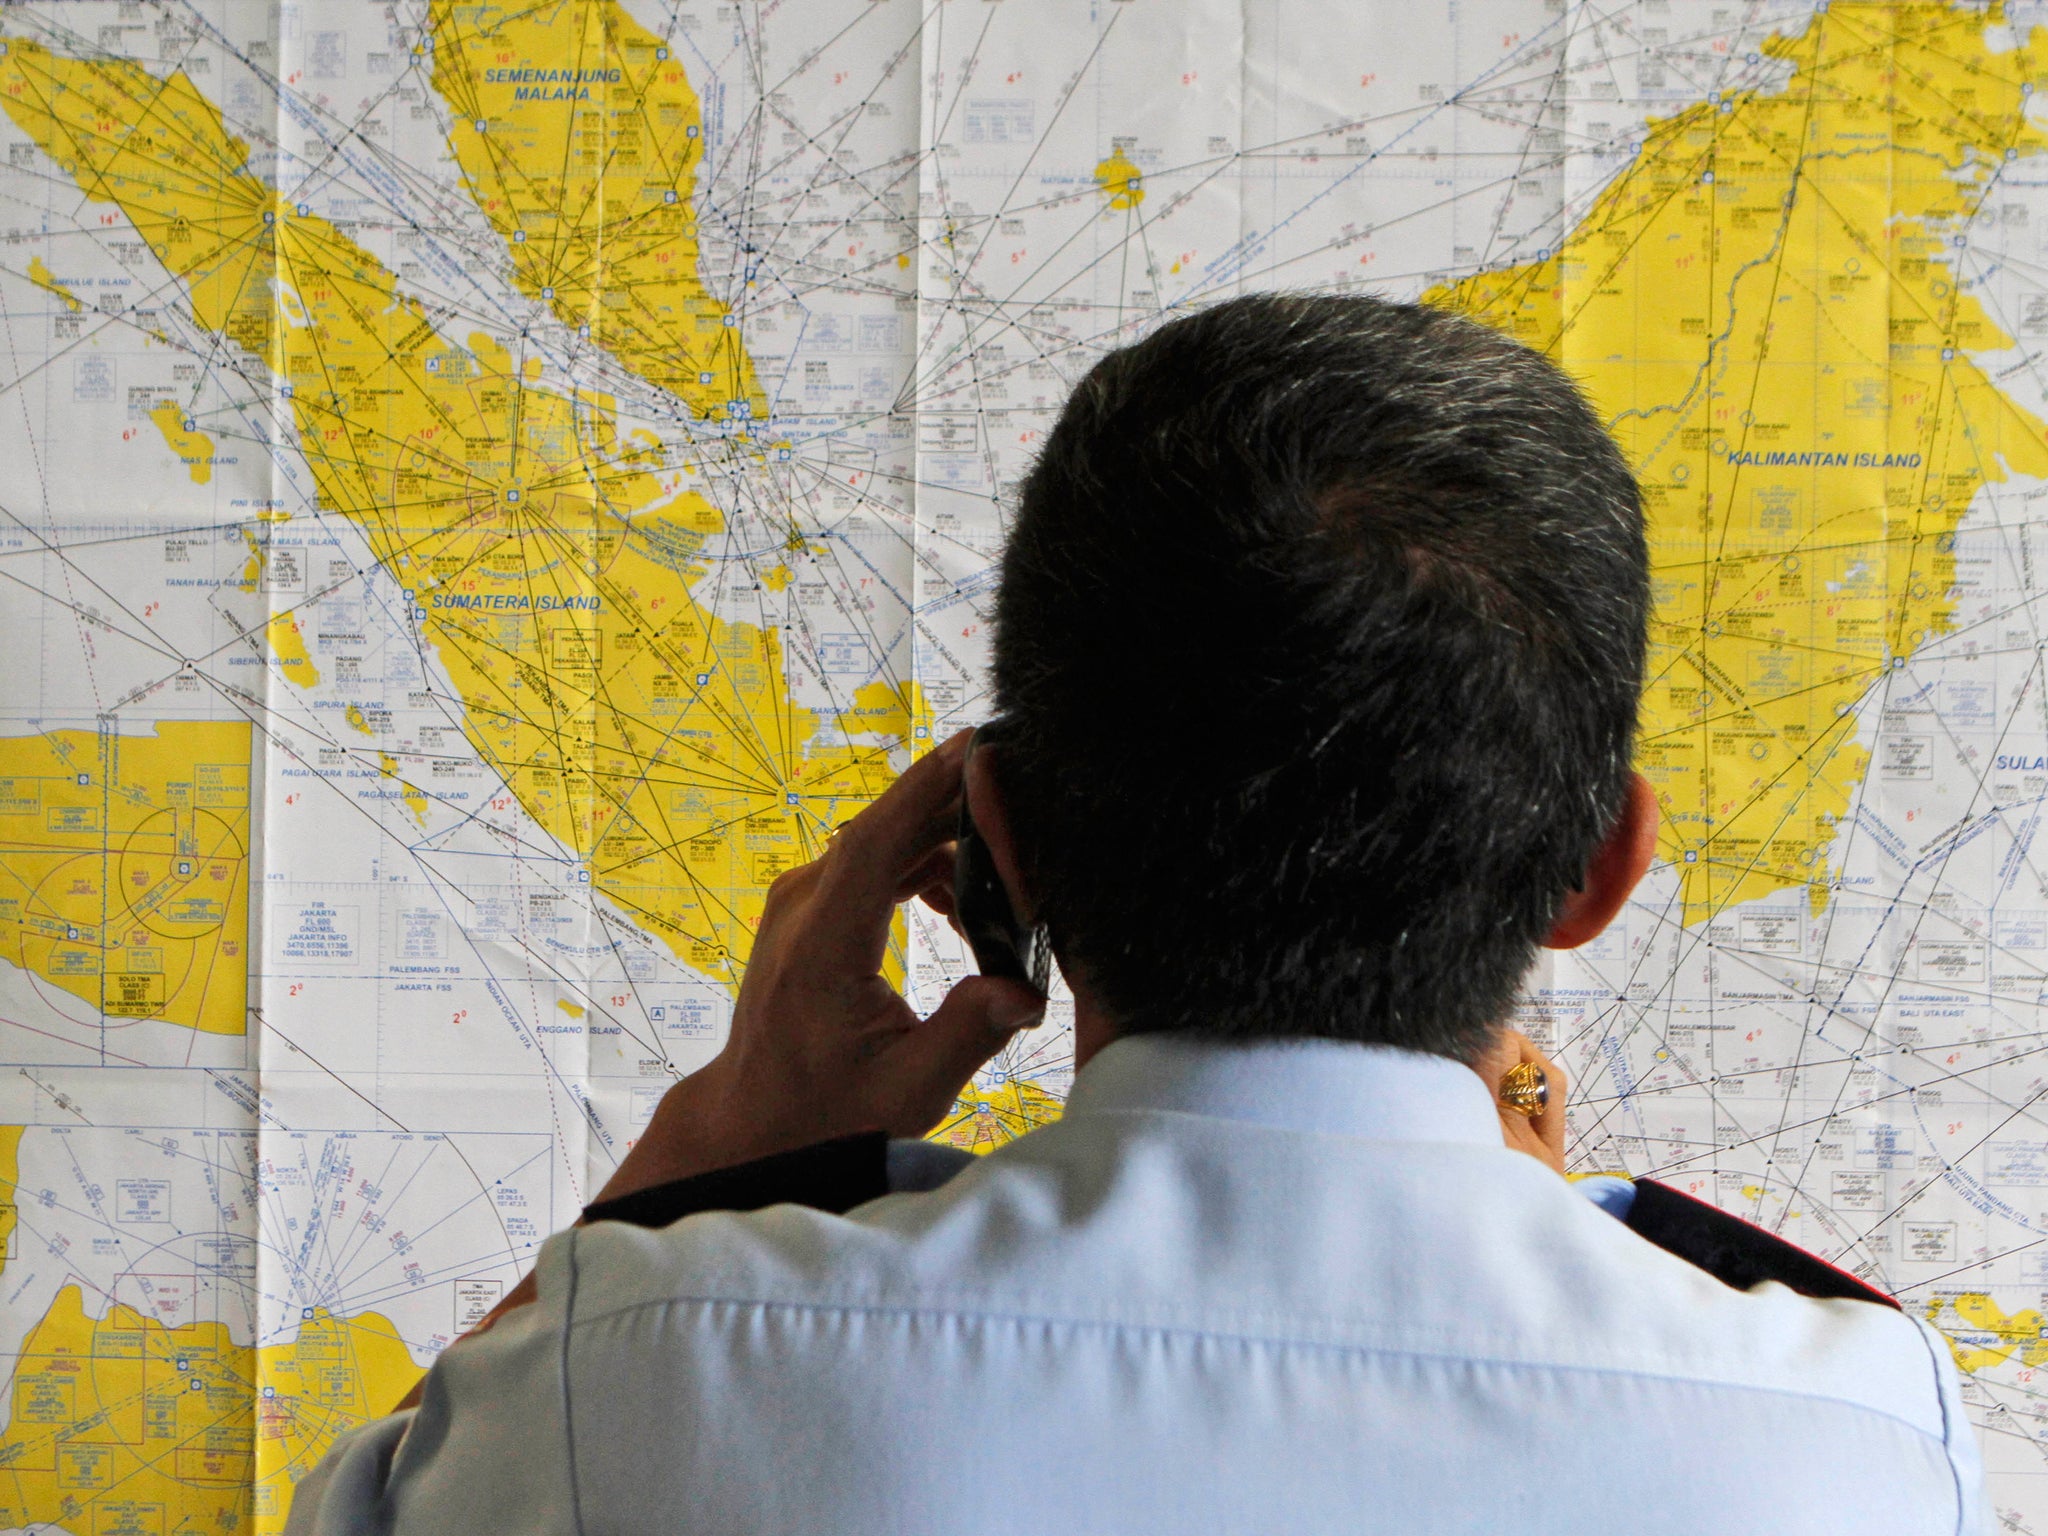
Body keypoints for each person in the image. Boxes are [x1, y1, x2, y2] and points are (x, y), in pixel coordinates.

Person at [287, 295, 1981, 1535]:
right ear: (1602, 866)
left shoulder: (642, 1375)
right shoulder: (1862, 1448)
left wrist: (715, 1152)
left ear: (999, 847)